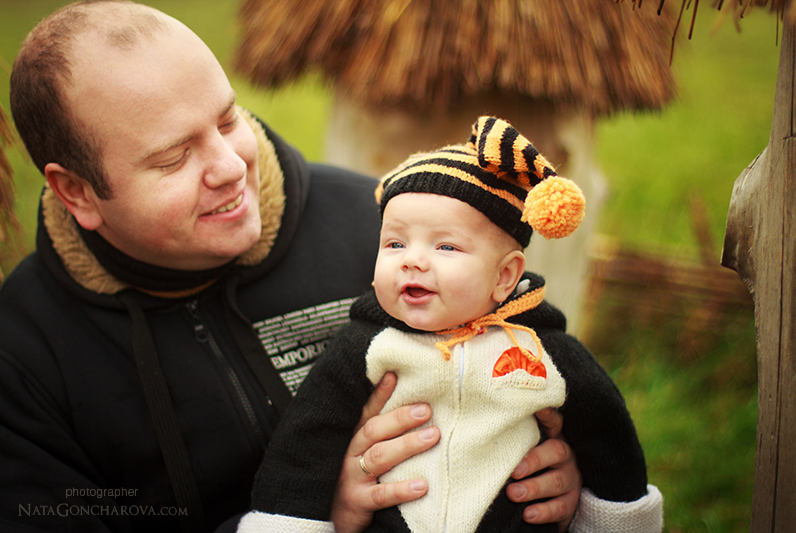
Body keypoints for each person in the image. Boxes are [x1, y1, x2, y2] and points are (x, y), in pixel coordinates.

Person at [0, 2, 583, 532]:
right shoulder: (21, 359)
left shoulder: (383, 232)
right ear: (77, 192)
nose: (231, 165)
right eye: (174, 157)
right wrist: (321, 511)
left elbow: (545, 368)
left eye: (228, 119)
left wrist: (561, 466)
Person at [243, 116, 664, 532]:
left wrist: (616, 518)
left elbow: (607, 434)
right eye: (395, 243)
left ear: (504, 277)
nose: (412, 259)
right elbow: (308, 438)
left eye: (445, 246)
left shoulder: (540, 348)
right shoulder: (367, 345)